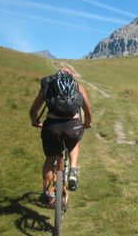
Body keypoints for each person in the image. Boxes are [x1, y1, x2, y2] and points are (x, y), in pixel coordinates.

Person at [29, 68, 92, 204]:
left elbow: (34, 110)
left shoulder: (49, 87)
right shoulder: (77, 87)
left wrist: (35, 121)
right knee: (74, 143)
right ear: (71, 77)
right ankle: (73, 171)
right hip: (72, 127)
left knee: (49, 161)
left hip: (52, 127)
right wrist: (86, 124)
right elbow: (88, 112)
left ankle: (46, 193)